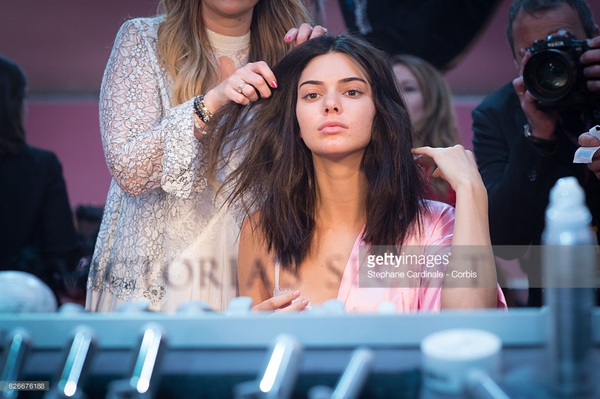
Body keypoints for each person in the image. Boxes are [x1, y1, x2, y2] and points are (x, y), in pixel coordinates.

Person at [208, 34, 507, 313]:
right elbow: (253, 354)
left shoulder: (434, 225)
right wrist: (254, 330)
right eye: (312, 95)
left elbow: (469, 328)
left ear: (380, 113)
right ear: (295, 122)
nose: (331, 105)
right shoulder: (262, 229)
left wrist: (472, 191)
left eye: (352, 91)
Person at [86, 0, 327, 312]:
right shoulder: (144, 39)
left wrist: (315, 69)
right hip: (156, 280)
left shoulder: (293, 48)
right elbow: (130, 171)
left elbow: (318, 172)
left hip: (253, 275)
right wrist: (212, 102)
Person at [472, 0, 600, 307]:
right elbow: (506, 243)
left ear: (593, 36)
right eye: (534, 51)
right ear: (517, 59)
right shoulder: (496, 113)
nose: (552, 62)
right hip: (554, 295)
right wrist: (536, 136)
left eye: (564, 43)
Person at [0, 55, 81, 305]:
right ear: (12, 104)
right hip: (25, 304)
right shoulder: (41, 166)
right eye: (24, 97)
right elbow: (62, 253)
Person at [392, 54, 461, 206]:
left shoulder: (458, 171)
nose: (396, 96)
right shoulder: (364, 164)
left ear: (433, 101)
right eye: (390, 89)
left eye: (408, 89)